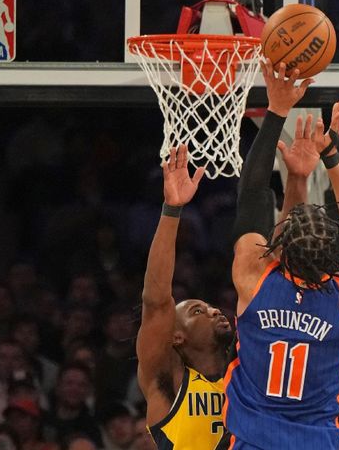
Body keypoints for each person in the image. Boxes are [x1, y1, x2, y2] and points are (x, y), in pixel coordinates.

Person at [224, 60, 339, 449]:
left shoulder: (254, 278)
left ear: (277, 251)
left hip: (252, 441)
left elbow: (253, 193)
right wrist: (332, 157)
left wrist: (277, 110)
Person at [135, 145, 235, 450]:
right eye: (197, 311)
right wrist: (172, 210)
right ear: (176, 337)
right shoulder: (167, 380)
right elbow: (155, 303)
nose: (214, 310)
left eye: (208, 306)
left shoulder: (243, 373)